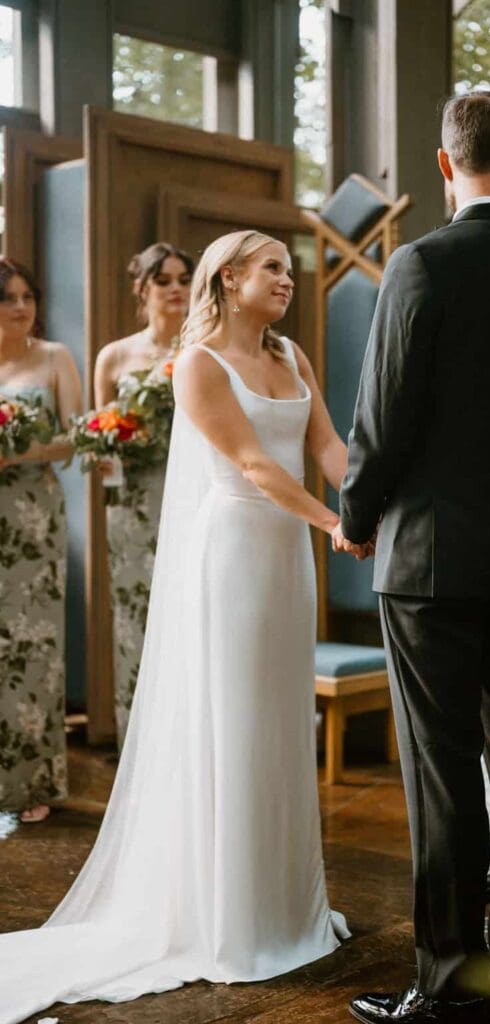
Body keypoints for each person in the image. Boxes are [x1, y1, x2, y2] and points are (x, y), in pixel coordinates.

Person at [0, 230, 351, 1021]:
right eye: (271, 268)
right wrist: (333, 526)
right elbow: (257, 468)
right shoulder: (196, 365)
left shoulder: (292, 358)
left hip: (284, 560)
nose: (284, 281)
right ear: (227, 279)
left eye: (287, 272)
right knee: (233, 726)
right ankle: (230, 918)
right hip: (233, 555)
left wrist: (377, 496)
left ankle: (282, 906)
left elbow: (325, 444)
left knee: (276, 726)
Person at [336, 92, 490, 1024]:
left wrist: (356, 514)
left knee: (443, 775)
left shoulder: (420, 264)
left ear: (443, 164)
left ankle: (448, 986)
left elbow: (384, 414)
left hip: (428, 563)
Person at [94, 242, 194, 749]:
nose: (175, 288)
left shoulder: (202, 350)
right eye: (164, 280)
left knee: (189, 617)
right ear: (142, 289)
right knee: (134, 620)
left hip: (192, 499)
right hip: (132, 505)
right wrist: (108, 443)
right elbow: (100, 436)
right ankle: (139, 747)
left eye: (182, 279)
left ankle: (186, 745)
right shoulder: (114, 356)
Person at [0, 258, 82, 824]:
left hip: (34, 516)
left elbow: (75, 438)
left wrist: (16, 452)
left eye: (28, 295)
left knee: (33, 647)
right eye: (8, 297)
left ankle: (33, 781)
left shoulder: (55, 358)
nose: (21, 305)